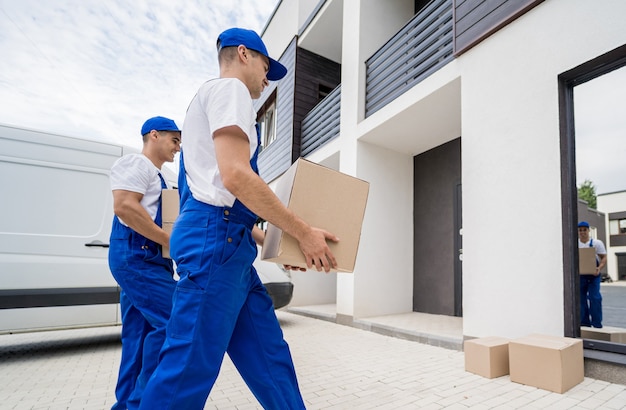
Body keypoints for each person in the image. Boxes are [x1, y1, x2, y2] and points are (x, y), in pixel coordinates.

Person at [139, 28, 338, 409]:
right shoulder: (229, 91)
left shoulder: (209, 102)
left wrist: (283, 243)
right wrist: (303, 232)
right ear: (244, 54)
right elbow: (236, 176)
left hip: (228, 242)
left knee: (269, 356)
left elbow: (229, 194)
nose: (268, 78)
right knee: (187, 369)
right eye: (267, 66)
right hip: (215, 240)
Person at [108, 116, 182, 410]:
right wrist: (169, 241)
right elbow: (124, 206)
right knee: (173, 321)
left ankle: (125, 405)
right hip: (137, 256)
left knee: (138, 338)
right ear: (154, 135)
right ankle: (142, 404)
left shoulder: (160, 176)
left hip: (148, 259)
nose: (178, 148)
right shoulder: (137, 165)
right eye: (174, 140)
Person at [578, 221, 607, 328]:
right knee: (581, 300)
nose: (582, 232)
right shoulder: (576, 244)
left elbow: (603, 257)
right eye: (580, 230)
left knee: (595, 298)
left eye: (584, 230)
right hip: (580, 276)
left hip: (594, 276)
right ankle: (585, 323)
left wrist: (599, 268)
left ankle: (597, 323)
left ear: (588, 230)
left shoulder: (596, 243)